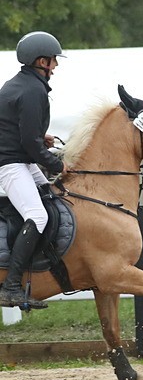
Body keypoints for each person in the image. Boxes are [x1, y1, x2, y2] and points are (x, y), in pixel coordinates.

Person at [0, 31, 68, 308]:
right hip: (11, 165)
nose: (56, 66)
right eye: (53, 60)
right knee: (38, 215)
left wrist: (44, 137)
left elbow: (20, 130)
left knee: (52, 195)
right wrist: (58, 164)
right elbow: (28, 142)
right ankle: (11, 286)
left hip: (20, 161)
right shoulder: (32, 90)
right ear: (41, 61)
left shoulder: (22, 84)